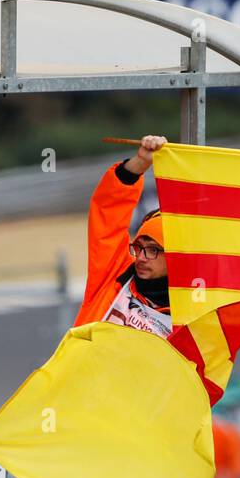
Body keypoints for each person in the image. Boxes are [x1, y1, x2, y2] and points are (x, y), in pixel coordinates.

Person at [73, 134, 171, 338]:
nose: (141, 257)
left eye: (153, 249)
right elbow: (108, 213)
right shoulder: (114, 274)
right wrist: (141, 162)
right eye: (139, 247)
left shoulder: (192, 316)